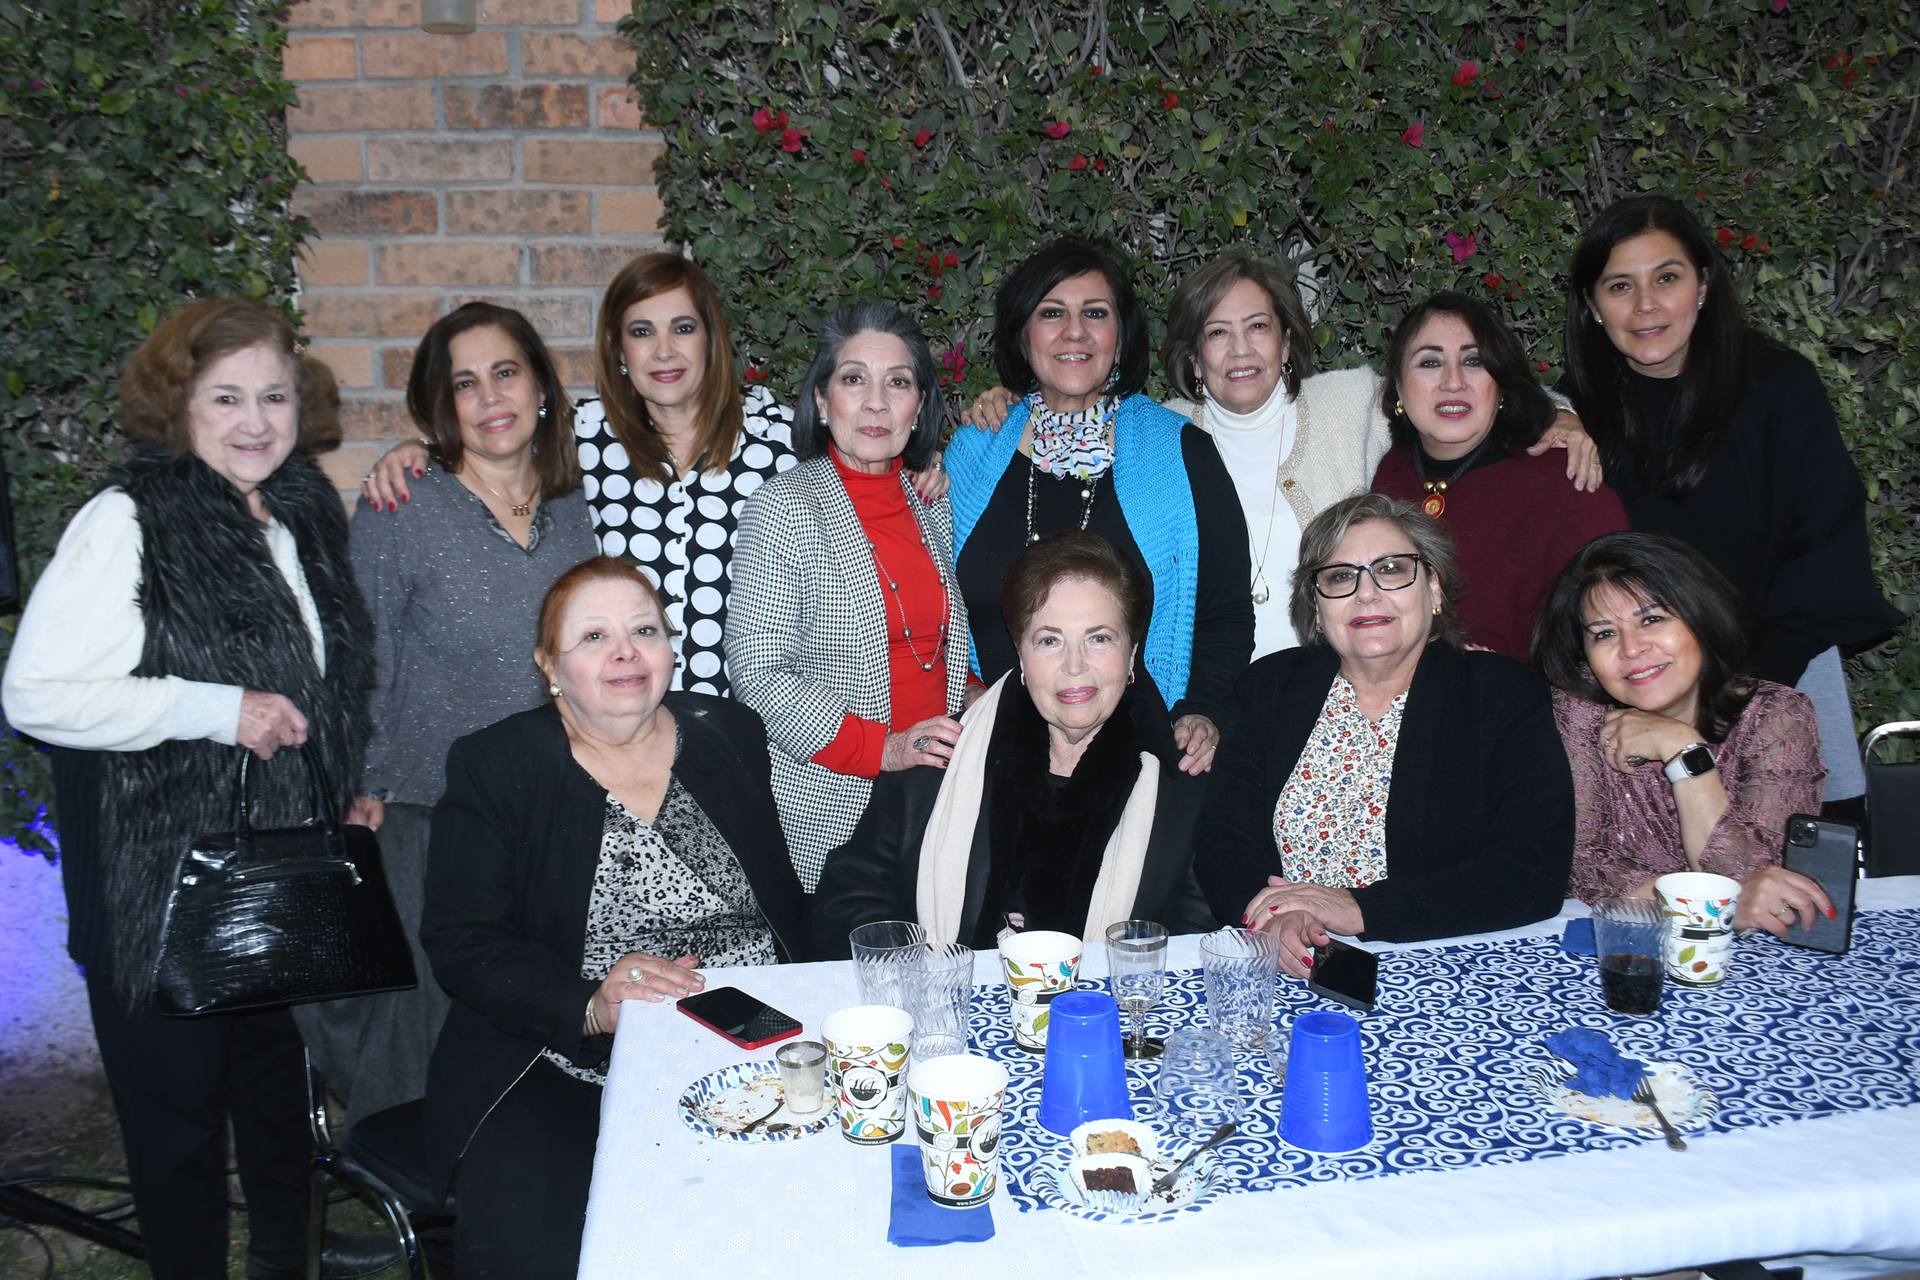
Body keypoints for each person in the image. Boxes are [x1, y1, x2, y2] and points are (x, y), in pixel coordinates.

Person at [1, 299, 392, 1280]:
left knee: (278, 1112)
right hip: (159, 896)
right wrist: (214, 708)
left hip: (276, 880)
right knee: (175, 1144)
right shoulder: (126, 519)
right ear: (180, 406)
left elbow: (321, 681)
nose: (255, 419)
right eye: (226, 397)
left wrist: (338, 785)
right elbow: (34, 693)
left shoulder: (300, 511)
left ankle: (283, 1262)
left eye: (273, 394)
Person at [419, 556, 805, 1279]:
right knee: (538, 1249)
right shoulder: (499, 764)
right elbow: (463, 941)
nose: (626, 652)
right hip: (567, 1058)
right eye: (594, 636)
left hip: (749, 1036)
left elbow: (779, 900)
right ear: (550, 666)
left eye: (644, 630)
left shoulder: (727, 731)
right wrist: (590, 1003)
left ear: (670, 649)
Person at [359, 253, 944, 696]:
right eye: (642, 332)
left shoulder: (777, 434)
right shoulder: (581, 436)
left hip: (758, 728)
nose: (664, 351)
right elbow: (493, 431)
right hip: (625, 723)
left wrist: (924, 466)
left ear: (712, 340)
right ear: (618, 350)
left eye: (683, 328)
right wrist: (418, 449)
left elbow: (866, 461)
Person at [967, 252, 1602, 659]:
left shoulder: (1349, 404)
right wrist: (1005, 400)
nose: (1240, 350)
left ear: (1288, 341)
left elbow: (1448, 388)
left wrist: (1559, 415)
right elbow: (1064, 414)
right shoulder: (1164, 433)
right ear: (1193, 359)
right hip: (1215, 693)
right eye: (1218, 332)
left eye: (1258, 327)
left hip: (1342, 685)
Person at [295, 303, 599, 1128]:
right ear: (441, 405)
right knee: (418, 1028)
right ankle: (402, 1194)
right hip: (429, 810)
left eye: (506, 371)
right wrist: (359, 782)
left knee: (538, 1016)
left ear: (539, 384)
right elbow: (363, 661)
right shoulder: (404, 506)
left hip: (557, 806)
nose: (489, 396)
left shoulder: (580, 506)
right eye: (463, 383)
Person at [1560, 193, 1904, 808]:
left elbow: (1826, 552)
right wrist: (1550, 415)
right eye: (1619, 287)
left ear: (1704, 285)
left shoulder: (1779, 386)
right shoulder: (1574, 412)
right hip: (1637, 687)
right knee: (1645, 886)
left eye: (1666, 278)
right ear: (1590, 306)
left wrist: (1735, 699)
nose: (1645, 306)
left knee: (1806, 880)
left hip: (1780, 672)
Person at [1195, 493, 1574, 979]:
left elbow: (1533, 868)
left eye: (1392, 569)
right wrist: (1271, 918)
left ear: (1433, 589)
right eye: (1339, 577)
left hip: (1454, 968)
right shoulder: (1268, 687)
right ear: (1316, 605)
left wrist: (1360, 909)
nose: (1366, 593)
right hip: (1286, 963)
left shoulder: (1501, 692)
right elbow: (1224, 840)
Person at [814, 532, 1221, 952]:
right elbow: (850, 900)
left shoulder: (1184, 782)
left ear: (1132, 653)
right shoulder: (939, 757)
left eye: (1099, 638)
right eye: (1049, 640)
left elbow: (1202, 933)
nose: (1075, 665)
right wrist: (922, 976)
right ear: (1021, 654)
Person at [945, 238, 1254, 774]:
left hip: (1139, 753)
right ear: (1022, 334)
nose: (1074, 332)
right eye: (1050, 313)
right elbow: (930, 603)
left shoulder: (1181, 451)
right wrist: (959, 691)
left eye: (1095, 313)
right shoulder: (975, 448)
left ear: (1121, 334)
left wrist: (1203, 708)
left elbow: (1225, 609)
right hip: (989, 753)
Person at [724, 302, 970, 892]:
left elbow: (931, 651)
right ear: (820, 400)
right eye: (854, 378)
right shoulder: (785, 507)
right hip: (838, 807)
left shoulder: (932, 506)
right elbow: (758, 672)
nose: (877, 402)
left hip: (942, 799)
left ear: (920, 406)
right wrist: (884, 750)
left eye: (899, 382)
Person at [1534, 531, 1835, 934]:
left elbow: (1765, 880)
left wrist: (1684, 752)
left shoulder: (1777, 715)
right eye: (1604, 633)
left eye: (1652, 619)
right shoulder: (1579, 713)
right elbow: (1578, 864)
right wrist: (1713, 903)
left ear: (1701, 617)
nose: (1631, 648)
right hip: (1627, 946)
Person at [1369, 291, 1628, 657]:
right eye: (1429, 363)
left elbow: (1618, 635)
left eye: (1474, 361)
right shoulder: (1384, 473)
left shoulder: (1565, 484)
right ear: (1397, 386)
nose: (1453, 382)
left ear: (1501, 383)